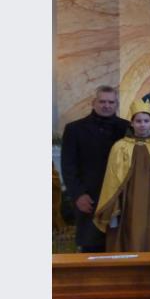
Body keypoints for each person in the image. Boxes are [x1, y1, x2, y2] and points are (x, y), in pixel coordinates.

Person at [61, 86, 130, 252]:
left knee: (120, 246)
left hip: (119, 198)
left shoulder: (127, 128)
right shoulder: (74, 129)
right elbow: (68, 166)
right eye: (102, 102)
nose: (106, 106)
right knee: (91, 247)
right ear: (94, 103)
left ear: (116, 104)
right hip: (89, 198)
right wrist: (78, 195)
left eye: (111, 102)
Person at [93, 100, 150, 252]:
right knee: (130, 226)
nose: (142, 125)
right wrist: (115, 204)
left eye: (146, 121)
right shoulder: (120, 146)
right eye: (138, 121)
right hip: (128, 198)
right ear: (132, 123)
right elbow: (113, 179)